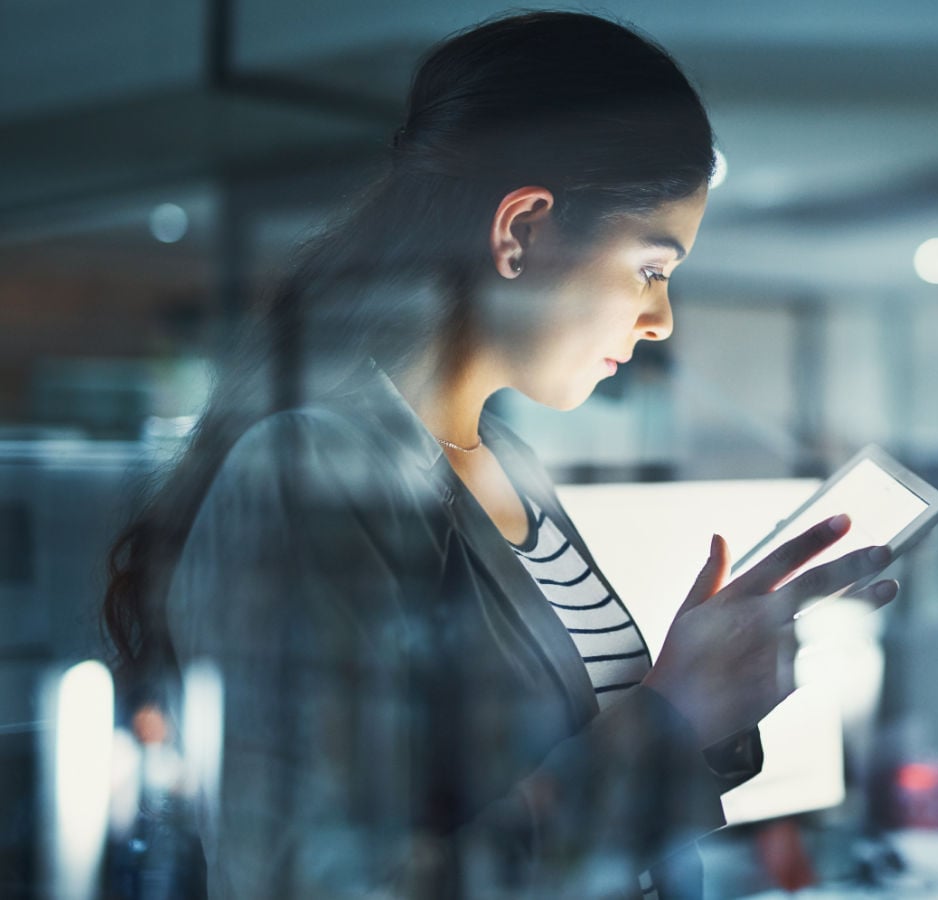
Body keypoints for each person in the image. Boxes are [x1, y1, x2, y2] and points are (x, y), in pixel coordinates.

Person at [101, 12, 897, 898]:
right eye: (650, 268)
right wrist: (668, 721)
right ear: (521, 229)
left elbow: (587, 783)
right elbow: (325, 884)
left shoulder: (505, 464)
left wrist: (710, 689)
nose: (661, 319)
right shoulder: (308, 474)